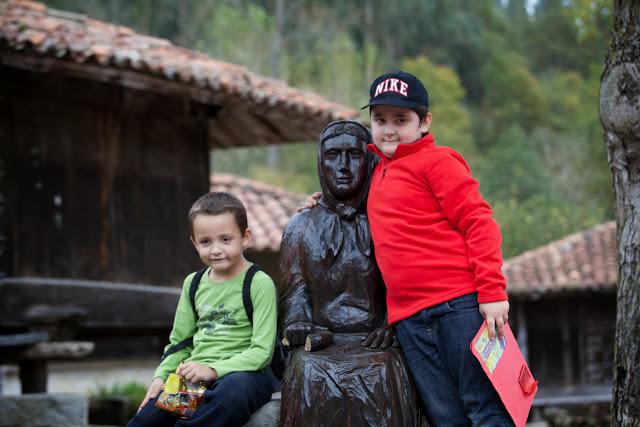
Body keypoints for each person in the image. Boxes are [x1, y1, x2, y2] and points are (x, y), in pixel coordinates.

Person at [305, 71, 513, 426]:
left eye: (401, 120)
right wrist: (319, 201)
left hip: (458, 307)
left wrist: (492, 291)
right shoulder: (377, 168)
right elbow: (348, 192)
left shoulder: (439, 161)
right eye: (380, 119)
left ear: (424, 122)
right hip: (409, 320)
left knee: (485, 408)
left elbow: (478, 220)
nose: (389, 129)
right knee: (444, 416)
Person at [279, 120, 420, 427]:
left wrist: (391, 323)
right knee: (307, 370)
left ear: (369, 160)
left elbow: (405, 281)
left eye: (353, 155)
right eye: (333, 155)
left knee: (382, 370)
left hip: (375, 341)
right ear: (320, 161)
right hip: (321, 341)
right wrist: (299, 321)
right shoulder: (300, 227)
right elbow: (295, 290)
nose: (343, 166)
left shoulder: (387, 218)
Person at [127, 192, 278, 427]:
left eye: (225, 239)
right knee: (147, 421)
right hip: (195, 377)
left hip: (246, 376)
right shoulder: (194, 283)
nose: (215, 249)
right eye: (206, 242)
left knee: (231, 394)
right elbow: (180, 342)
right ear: (194, 243)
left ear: (245, 237)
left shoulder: (259, 283)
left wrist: (214, 370)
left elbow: (262, 351)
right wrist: (161, 377)